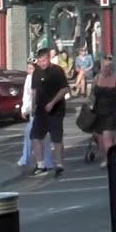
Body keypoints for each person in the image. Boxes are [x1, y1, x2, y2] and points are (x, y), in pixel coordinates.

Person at [29, 47, 69, 178]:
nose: (42, 64)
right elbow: (34, 90)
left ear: (49, 58)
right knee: (35, 137)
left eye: (44, 61)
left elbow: (65, 89)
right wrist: (33, 106)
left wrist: (52, 103)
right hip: (40, 110)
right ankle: (41, 165)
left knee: (56, 139)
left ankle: (59, 166)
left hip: (56, 110)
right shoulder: (36, 72)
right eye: (40, 61)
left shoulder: (57, 71)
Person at [90, 56, 116, 166]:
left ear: (111, 68)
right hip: (98, 112)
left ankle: (110, 160)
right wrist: (91, 103)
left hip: (111, 112)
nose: (105, 69)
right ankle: (107, 157)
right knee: (100, 139)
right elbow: (92, 94)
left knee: (107, 136)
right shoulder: (97, 79)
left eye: (108, 67)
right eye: (103, 67)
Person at [18, 60, 55, 169]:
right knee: (31, 135)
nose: (29, 71)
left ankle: (46, 161)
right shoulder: (29, 79)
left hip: (41, 110)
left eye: (31, 68)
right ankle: (26, 158)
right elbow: (26, 96)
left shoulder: (42, 78)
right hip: (34, 111)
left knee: (40, 137)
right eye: (28, 68)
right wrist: (24, 109)